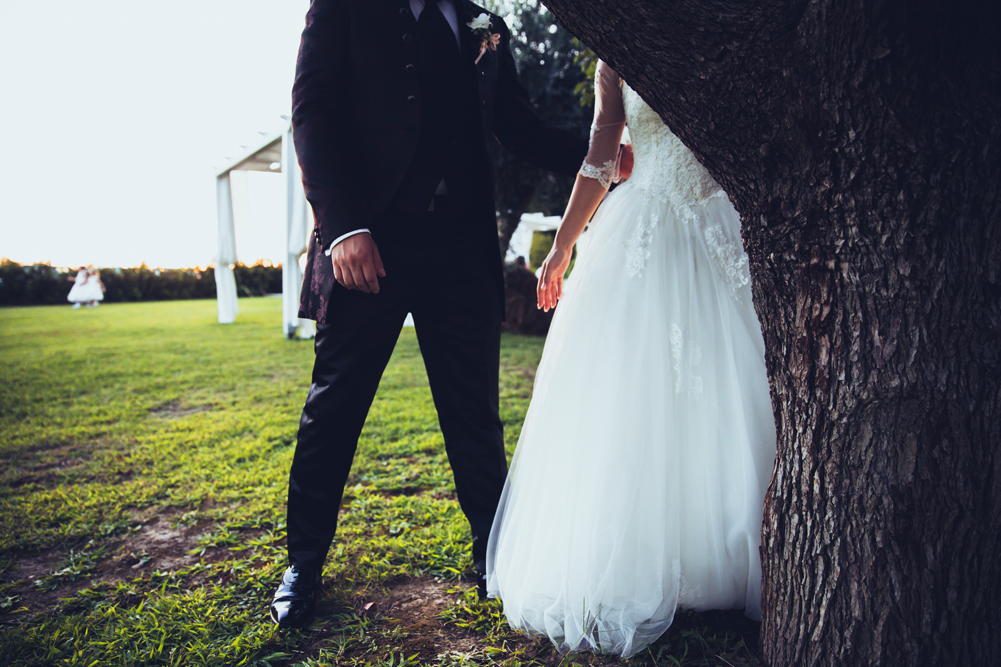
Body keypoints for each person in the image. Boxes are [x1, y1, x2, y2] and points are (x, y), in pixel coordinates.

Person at [270, 0, 590, 629]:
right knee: (334, 407)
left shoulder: (485, 25)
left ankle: (492, 556)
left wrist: (604, 156)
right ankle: (303, 563)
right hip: (371, 243)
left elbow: (518, 128)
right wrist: (344, 229)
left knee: (474, 412)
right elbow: (312, 113)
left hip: (463, 252)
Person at [486, 61, 777, 658]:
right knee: (629, 392)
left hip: (720, 222)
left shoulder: (723, 34)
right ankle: (644, 557)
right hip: (638, 226)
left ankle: (727, 551)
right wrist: (564, 241)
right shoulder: (616, 57)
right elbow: (601, 154)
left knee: (727, 384)